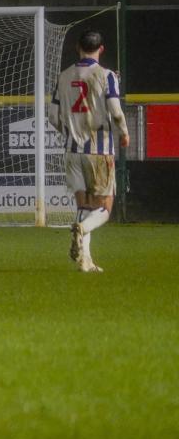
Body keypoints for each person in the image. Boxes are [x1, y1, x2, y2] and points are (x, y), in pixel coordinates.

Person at [48, 30, 130, 273]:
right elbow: (115, 111)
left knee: (84, 207)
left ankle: (85, 261)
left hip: (72, 151)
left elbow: (53, 116)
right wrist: (124, 132)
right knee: (103, 209)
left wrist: (70, 132)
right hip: (99, 149)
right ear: (101, 49)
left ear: (77, 47)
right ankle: (82, 229)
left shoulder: (63, 77)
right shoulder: (106, 76)